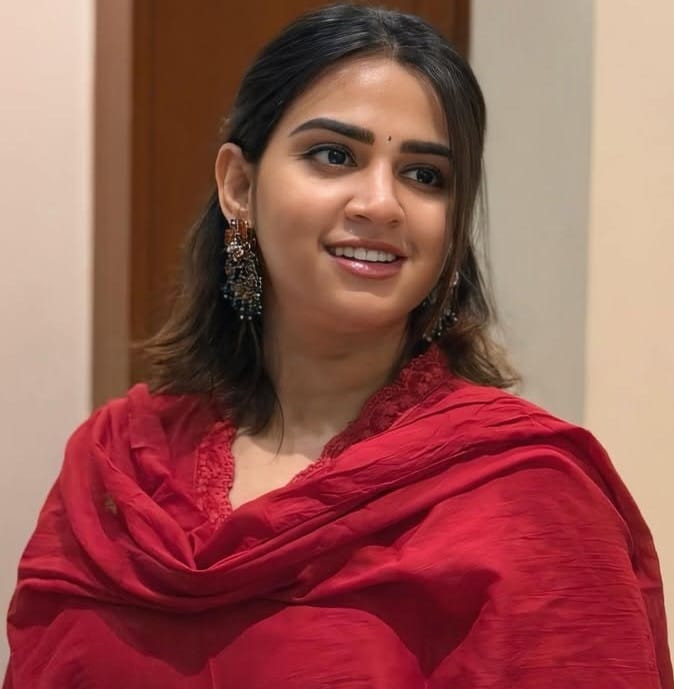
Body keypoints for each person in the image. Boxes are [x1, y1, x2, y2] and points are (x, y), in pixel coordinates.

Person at [4, 4, 672, 688]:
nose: (380, 204)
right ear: (239, 186)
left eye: (425, 175)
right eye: (334, 155)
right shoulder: (118, 471)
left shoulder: (527, 498)